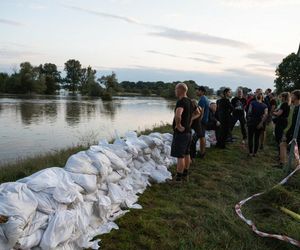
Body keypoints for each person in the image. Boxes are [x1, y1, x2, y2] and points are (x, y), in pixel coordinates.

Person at [171, 83, 193, 182]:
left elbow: (178, 114)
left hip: (181, 134)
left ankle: (178, 179)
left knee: (180, 156)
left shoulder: (181, 101)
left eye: (176, 89)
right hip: (188, 132)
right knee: (187, 154)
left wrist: (179, 125)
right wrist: (188, 123)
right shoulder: (190, 101)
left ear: (180, 90)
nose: (175, 91)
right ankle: (185, 174)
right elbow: (197, 112)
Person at [195, 86, 209, 158]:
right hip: (205, 120)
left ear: (202, 92)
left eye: (198, 90)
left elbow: (201, 112)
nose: (196, 92)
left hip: (202, 121)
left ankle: (202, 153)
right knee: (202, 136)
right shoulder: (206, 98)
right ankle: (202, 152)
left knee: (201, 137)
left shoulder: (202, 100)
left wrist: (198, 121)